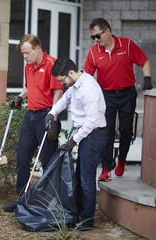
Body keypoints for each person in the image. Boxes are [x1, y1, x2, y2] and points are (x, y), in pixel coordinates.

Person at [84, 18, 153, 181]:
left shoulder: (127, 45)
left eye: (98, 36)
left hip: (127, 95)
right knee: (106, 132)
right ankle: (107, 168)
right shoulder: (94, 52)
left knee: (126, 131)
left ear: (107, 31)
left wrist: (147, 78)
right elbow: (86, 77)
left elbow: (144, 61)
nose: (96, 40)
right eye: (93, 37)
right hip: (106, 96)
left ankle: (121, 160)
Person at [3, 34, 63, 212]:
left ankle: (48, 203)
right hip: (30, 116)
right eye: (23, 53)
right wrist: (20, 98)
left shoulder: (52, 64)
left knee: (47, 161)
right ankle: (22, 199)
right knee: (22, 158)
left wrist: (54, 120)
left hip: (46, 116)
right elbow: (29, 86)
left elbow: (58, 93)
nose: (25, 56)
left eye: (27, 52)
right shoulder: (29, 66)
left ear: (38, 49)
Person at [45, 57, 107, 230]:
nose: (62, 84)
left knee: (86, 180)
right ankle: (78, 214)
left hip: (94, 134)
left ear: (70, 73)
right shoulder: (74, 85)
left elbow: (92, 120)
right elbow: (64, 100)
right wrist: (52, 113)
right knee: (80, 176)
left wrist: (74, 139)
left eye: (62, 80)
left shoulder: (89, 88)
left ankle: (87, 221)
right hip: (85, 134)